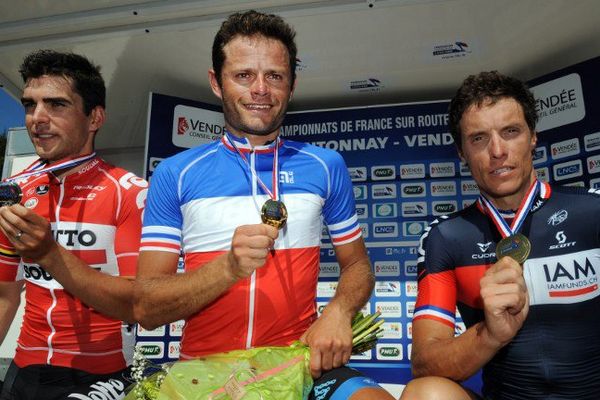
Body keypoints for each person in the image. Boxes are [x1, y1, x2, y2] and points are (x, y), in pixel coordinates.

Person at [134, 10, 394, 400]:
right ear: (216, 83)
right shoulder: (176, 173)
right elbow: (147, 307)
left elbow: (358, 266)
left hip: (299, 362)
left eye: (274, 76)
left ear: (291, 84)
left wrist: (338, 312)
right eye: (244, 75)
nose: (261, 89)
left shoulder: (325, 166)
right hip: (205, 373)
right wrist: (228, 267)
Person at [401, 71, 600, 400]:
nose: (497, 150)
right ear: (462, 152)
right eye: (478, 138)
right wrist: (490, 335)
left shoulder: (590, 213)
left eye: (510, 132)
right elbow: (426, 363)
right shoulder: (447, 237)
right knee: (426, 393)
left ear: (533, 136)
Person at [0, 50, 147, 399]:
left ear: (94, 117)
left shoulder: (129, 193)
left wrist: (51, 253)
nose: (38, 118)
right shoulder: (15, 191)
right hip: (26, 366)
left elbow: (137, 304)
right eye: (30, 105)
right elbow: (4, 295)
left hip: (99, 372)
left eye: (57, 105)